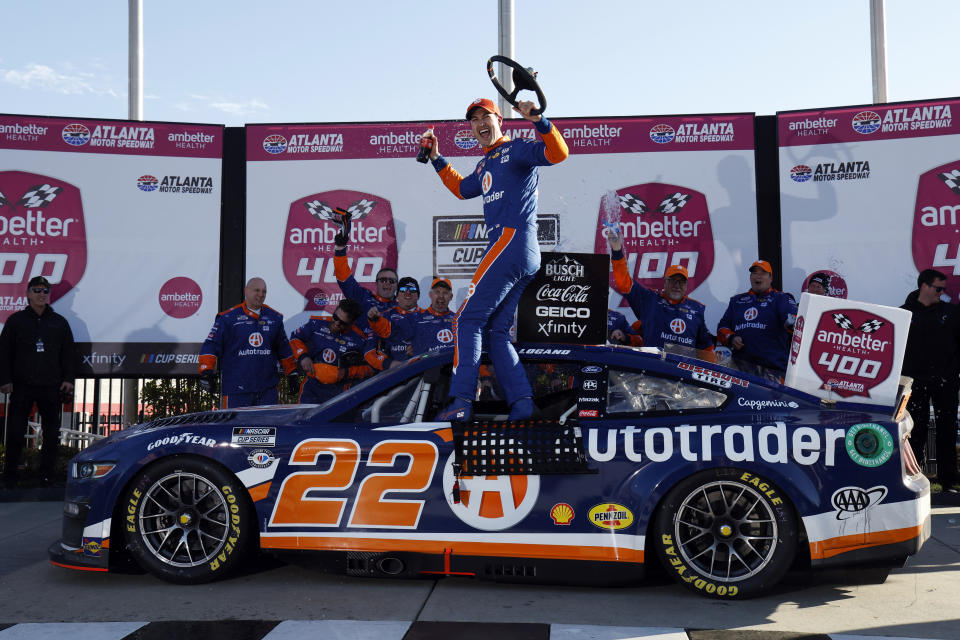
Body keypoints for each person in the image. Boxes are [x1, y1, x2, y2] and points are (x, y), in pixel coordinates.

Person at [421, 97, 569, 421]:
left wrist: (540, 121)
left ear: (499, 120)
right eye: (473, 120)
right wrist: (435, 158)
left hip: (511, 241)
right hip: (522, 250)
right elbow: (461, 189)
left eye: (485, 117)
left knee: (466, 320)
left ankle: (461, 401)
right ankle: (523, 404)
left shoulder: (515, 149)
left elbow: (559, 153)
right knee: (497, 332)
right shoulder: (484, 163)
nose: (479, 124)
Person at [0, 276, 77, 488]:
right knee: (15, 432)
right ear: (28, 294)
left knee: (51, 435)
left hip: (51, 387)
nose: (41, 295)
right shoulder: (16, 321)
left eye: (45, 291)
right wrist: (5, 380)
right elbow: (4, 353)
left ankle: (47, 476)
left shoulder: (60, 323)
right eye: (37, 290)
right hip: (22, 386)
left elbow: (68, 354)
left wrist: (68, 379)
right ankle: (10, 477)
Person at [606, 231, 714, 358]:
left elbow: (707, 349)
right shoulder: (650, 300)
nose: (677, 285)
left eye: (681, 282)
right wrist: (617, 251)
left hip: (683, 373)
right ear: (665, 282)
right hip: (653, 369)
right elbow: (624, 283)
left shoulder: (697, 309)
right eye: (673, 280)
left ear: (686, 286)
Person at [901, 268, 960, 490]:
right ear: (924, 286)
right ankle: (915, 479)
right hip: (915, 382)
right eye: (938, 289)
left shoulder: (951, 313)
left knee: (947, 430)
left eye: (943, 290)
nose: (941, 293)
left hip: (945, 381)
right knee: (914, 430)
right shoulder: (904, 313)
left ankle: (948, 481)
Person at [198, 277, 296, 408]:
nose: (261, 294)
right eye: (256, 290)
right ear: (246, 291)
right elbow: (211, 344)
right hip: (236, 390)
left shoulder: (275, 318)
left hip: (267, 390)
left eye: (264, 291)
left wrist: (292, 372)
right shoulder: (227, 318)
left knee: (268, 427)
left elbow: (283, 348)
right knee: (235, 428)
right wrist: (206, 371)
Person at [717, 260, 797, 375]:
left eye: (763, 273)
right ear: (750, 277)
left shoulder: (781, 298)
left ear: (771, 278)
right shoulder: (737, 301)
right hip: (741, 369)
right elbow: (722, 328)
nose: (758, 276)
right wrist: (731, 338)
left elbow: (793, 321)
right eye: (754, 273)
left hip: (773, 370)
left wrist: (790, 324)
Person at [290, 299, 374, 404]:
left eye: (342, 323)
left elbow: (370, 368)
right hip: (311, 387)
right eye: (335, 317)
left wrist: (346, 373)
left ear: (352, 323)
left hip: (339, 391)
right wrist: (303, 356)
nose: (336, 323)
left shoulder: (360, 339)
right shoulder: (317, 323)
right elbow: (295, 338)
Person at [368, 278, 456, 367]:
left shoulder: (459, 320)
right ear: (430, 295)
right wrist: (376, 320)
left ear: (451, 296)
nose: (441, 296)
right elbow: (389, 330)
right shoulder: (415, 317)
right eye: (437, 292)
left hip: (453, 368)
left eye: (445, 293)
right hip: (427, 370)